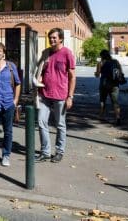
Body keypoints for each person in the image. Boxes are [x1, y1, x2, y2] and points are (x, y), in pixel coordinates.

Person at [33, 28, 76, 163]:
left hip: (60, 95)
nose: (51, 40)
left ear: (61, 39)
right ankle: (45, 152)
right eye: (50, 38)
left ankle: (59, 151)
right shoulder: (46, 53)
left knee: (60, 124)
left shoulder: (67, 53)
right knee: (41, 122)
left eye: (54, 38)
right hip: (44, 94)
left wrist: (70, 96)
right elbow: (39, 69)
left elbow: (72, 77)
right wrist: (39, 78)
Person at [95, 49, 123, 125]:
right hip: (115, 84)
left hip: (104, 84)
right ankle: (117, 117)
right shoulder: (116, 62)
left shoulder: (100, 63)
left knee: (102, 101)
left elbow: (97, 75)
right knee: (115, 102)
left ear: (101, 56)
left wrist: (96, 73)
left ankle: (101, 116)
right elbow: (121, 72)